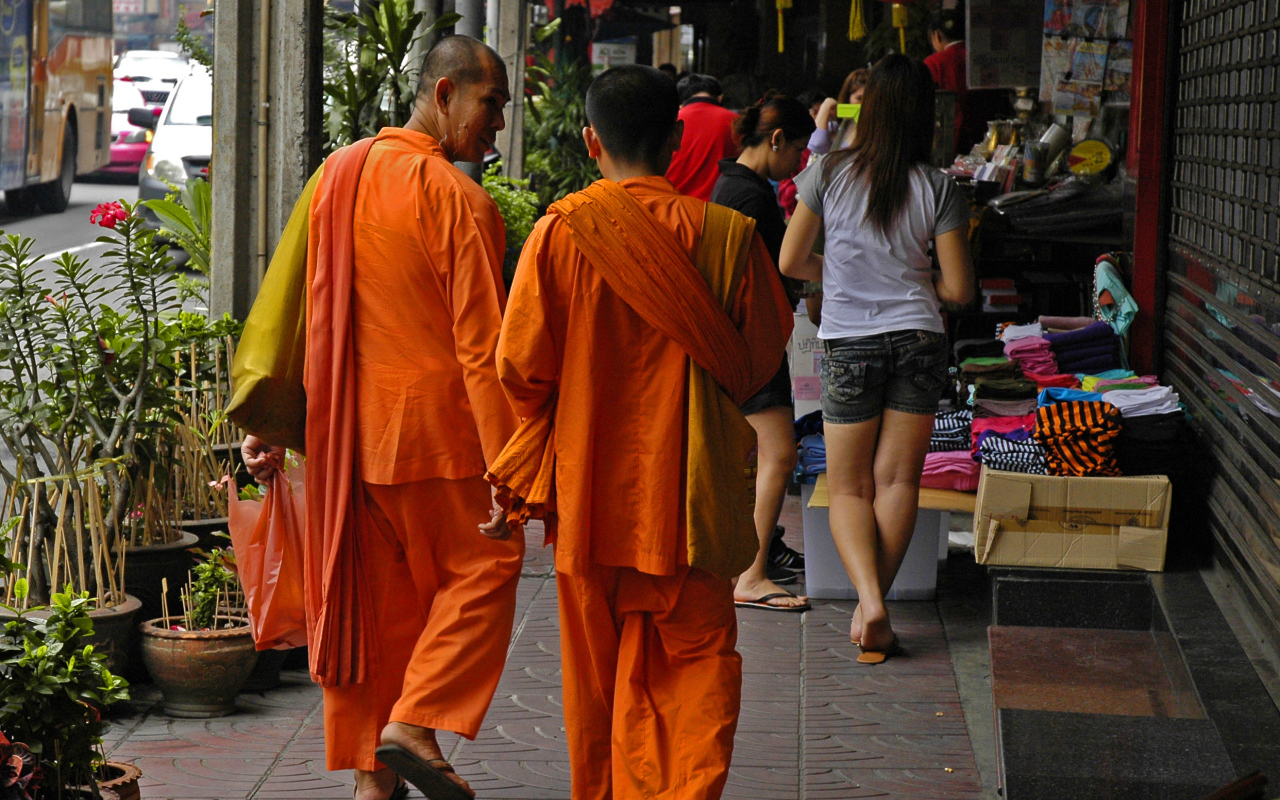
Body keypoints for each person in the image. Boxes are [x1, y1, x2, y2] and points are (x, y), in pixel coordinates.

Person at [489, 64, 793, 799]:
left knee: (596, 681)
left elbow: (520, 368)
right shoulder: (728, 237)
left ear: (590, 140)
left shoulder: (560, 234)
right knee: (697, 666)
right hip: (694, 499)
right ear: (677, 137)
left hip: (590, 497)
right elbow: (757, 361)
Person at [240, 36, 522, 800]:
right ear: (445, 94)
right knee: (486, 569)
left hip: (346, 444)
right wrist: (510, 467)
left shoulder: (339, 174)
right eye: (492, 104)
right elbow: (481, 348)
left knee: (376, 615)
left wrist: (273, 417)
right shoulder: (459, 200)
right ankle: (418, 722)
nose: (498, 123)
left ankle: (374, 784)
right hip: (438, 438)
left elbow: (296, 303)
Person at [779, 54, 974, 664]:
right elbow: (959, 289)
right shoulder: (938, 185)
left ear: (869, 111)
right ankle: (873, 606)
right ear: (923, 116)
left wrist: (839, 273)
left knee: (847, 486)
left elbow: (790, 260)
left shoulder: (828, 173)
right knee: (897, 481)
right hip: (919, 338)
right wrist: (915, 280)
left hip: (850, 343)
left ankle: (869, 602)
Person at [710, 93, 814, 612]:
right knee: (779, 453)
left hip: (743, 341)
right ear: (776, 140)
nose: (800, 161)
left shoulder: (732, 185)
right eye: (797, 149)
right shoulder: (749, 196)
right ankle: (750, 575)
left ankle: (745, 566)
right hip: (750, 342)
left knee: (759, 457)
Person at [665, 73, 740, 200]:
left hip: (673, 205)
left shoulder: (669, 121)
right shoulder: (736, 122)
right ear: (720, 98)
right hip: (720, 207)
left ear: (681, 103)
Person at [925, 9, 976, 156]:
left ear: (937, 35)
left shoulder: (934, 62)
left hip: (948, 142)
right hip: (985, 136)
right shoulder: (978, 58)